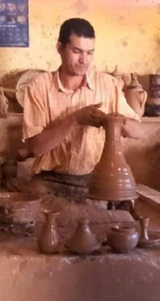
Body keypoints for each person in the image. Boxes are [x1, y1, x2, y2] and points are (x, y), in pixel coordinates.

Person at [21, 18, 141, 194]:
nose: (84, 60)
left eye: (89, 53)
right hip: (49, 179)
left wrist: (116, 121)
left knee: (116, 213)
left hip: (95, 178)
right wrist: (75, 119)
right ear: (60, 48)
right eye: (77, 51)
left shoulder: (107, 85)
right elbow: (36, 148)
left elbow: (139, 132)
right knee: (39, 215)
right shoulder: (39, 86)